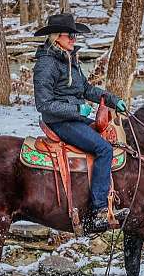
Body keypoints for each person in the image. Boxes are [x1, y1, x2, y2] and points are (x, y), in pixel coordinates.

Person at [33, 13, 129, 233]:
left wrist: (113, 100)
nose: (74, 39)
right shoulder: (46, 64)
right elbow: (44, 104)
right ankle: (98, 210)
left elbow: (85, 89)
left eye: (75, 35)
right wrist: (77, 109)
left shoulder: (69, 58)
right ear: (56, 36)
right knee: (103, 149)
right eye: (70, 35)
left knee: (110, 139)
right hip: (60, 122)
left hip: (73, 118)